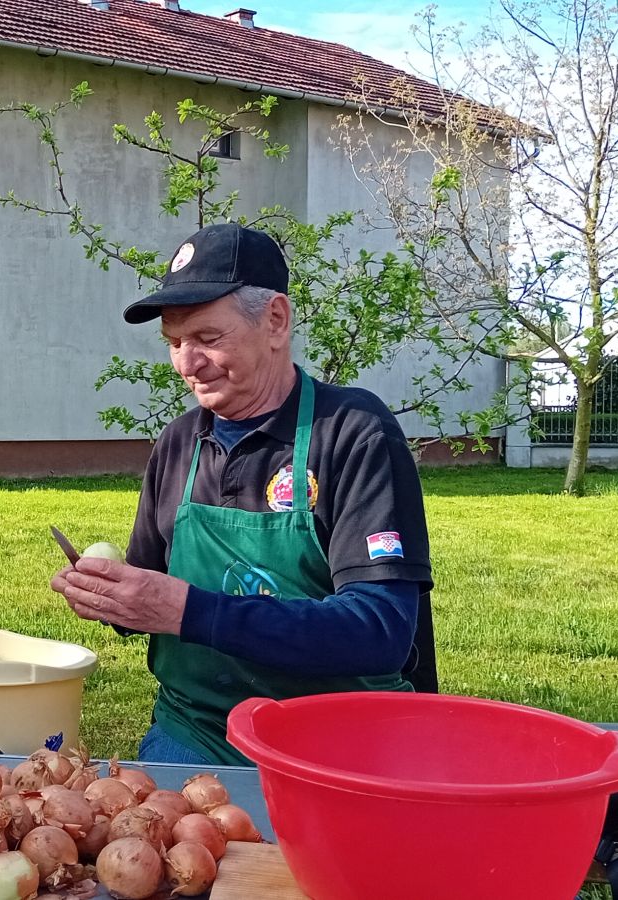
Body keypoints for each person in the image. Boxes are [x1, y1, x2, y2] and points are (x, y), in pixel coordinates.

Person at [51, 222, 437, 766]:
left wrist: (189, 610)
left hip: (338, 742)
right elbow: (150, 590)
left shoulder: (353, 432)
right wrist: (110, 597)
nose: (187, 364)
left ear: (275, 320)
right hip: (198, 733)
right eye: (174, 343)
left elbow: (380, 631)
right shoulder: (178, 443)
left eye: (208, 339)